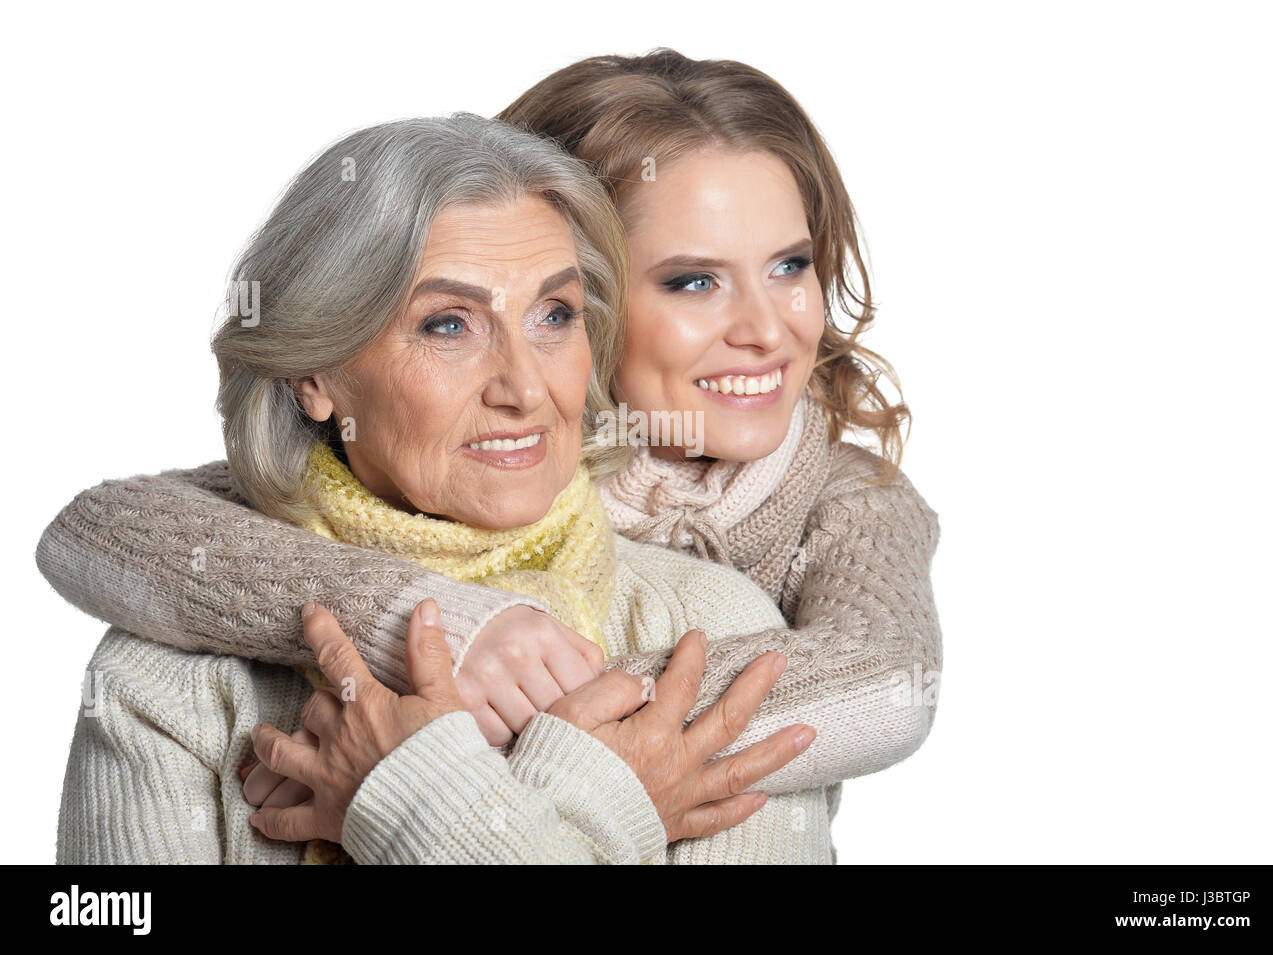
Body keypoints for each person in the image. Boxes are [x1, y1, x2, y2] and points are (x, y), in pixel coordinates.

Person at [49, 114, 822, 865]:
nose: (525, 386)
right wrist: (591, 801)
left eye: (555, 314)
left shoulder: (713, 628)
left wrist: (412, 798)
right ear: (314, 374)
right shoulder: (165, 677)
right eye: (448, 325)